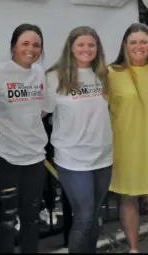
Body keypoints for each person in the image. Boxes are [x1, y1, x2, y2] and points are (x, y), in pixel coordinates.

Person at [44, 26, 113, 253]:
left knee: (93, 216)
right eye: (81, 44)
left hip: (103, 158)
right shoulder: (55, 77)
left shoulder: (104, 75)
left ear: (98, 48)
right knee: (84, 216)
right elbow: (38, 114)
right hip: (73, 159)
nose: (86, 49)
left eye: (91, 45)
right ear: (71, 48)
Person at [108, 23, 148, 253]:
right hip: (126, 148)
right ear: (125, 45)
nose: (139, 46)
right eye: (133, 42)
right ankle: (133, 248)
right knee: (128, 201)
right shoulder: (112, 73)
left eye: (144, 41)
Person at [0, 24, 48, 253]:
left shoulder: (40, 72)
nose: (31, 49)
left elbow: (42, 111)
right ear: (13, 46)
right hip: (6, 159)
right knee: (5, 222)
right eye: (25, 43)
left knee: (31, 220)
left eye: (36, 45)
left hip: (35, 158)